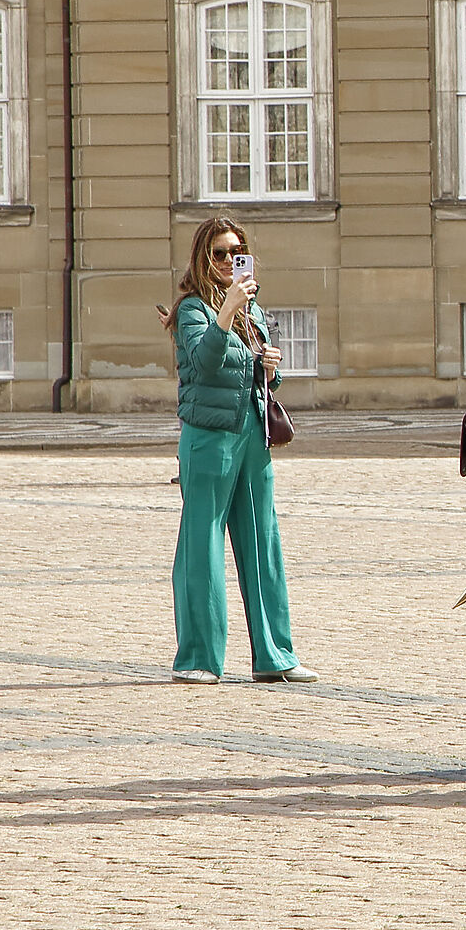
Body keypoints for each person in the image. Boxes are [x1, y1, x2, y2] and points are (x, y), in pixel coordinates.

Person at [165, 217, 314, 686]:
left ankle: (275, 655)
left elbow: (260, 375)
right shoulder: (192, 310)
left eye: (237, 252)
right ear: (202, 259)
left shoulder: (255, 308)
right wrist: (226, 310)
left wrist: (271, 368)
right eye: (219, 254)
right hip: (209, 438)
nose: (230, 261)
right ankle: (199, 658)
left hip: (253, 433)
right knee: (202, 545)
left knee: (262, 543)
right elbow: (205, 362)